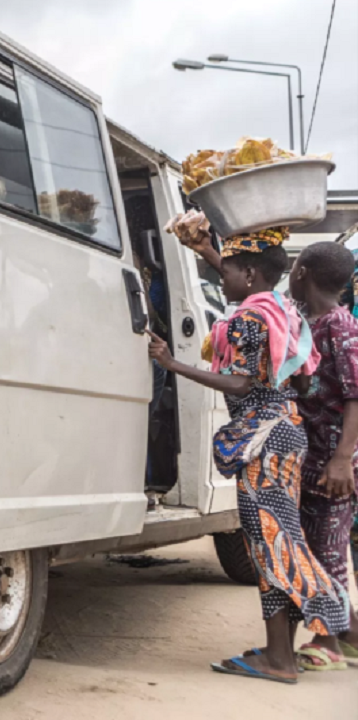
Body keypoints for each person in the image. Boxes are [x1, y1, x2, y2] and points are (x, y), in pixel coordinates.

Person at [149, 230, 349, 684]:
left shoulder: (247, 321)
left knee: (271, 545)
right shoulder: (282, 312)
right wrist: (209, 251)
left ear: (252, 273)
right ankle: (282, 650)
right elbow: (302, 383)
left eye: (229, 273)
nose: (222, 281)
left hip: (263, 442)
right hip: (289, 435)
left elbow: (241, 384)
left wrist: (172, 363)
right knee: (279, 540)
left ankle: (285, 657)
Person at [287, 241, 358, 669]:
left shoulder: (341, 327)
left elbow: (356, 395)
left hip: (334, 463)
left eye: (292, 267)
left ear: (303, 272)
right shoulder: (305, 320)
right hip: (309, 459)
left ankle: (327, 641)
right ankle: (346, 632)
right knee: (313, 549)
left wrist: (342, 458)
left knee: (328, 552)